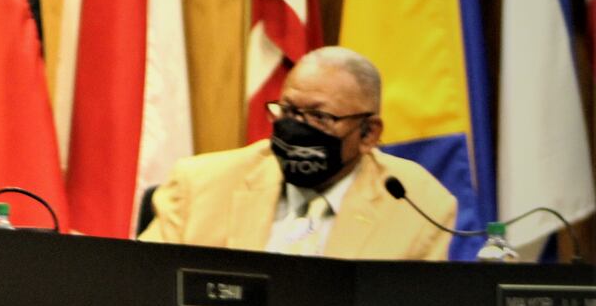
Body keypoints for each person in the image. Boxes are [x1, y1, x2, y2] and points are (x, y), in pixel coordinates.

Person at [138, 46, 456, 260]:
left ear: (368, 133)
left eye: (320, 117)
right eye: (288, 112)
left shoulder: (419, 204)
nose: (297, 129)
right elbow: (144, 288)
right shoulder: (201, 184)